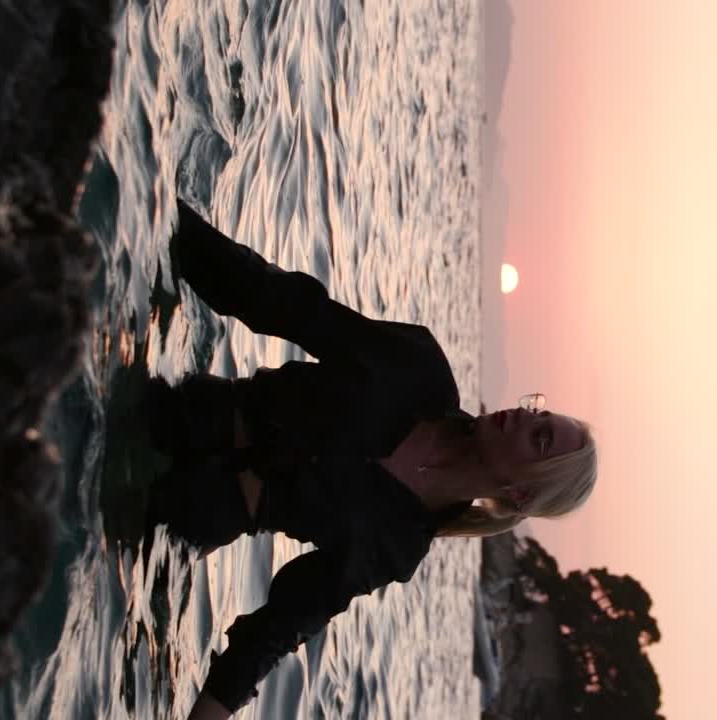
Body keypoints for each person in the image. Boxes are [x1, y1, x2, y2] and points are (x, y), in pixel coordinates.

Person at [144, 200, 598, 720]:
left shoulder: (399, 544)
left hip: (177, 518)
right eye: (537, 410)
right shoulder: (419, 369)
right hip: (173, 417)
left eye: (539, 438)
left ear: (520, 493)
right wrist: (165, 219)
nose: (523, 414)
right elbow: (284, 304)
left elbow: (285, 622)